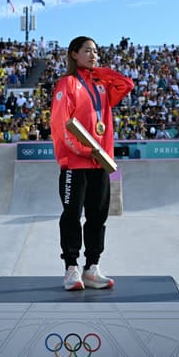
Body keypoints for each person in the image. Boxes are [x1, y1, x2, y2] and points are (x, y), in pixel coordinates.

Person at [50, 36, 134, 291]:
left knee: (98, 217)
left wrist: (96, 70)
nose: (93, 55)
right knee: (72, 216)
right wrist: (85, 151)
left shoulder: (100, 85)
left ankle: (92, 267)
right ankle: (71, 267)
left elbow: (126, 84)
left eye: (96, 51)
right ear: (74, 54)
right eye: (87, 51)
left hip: (100, 163)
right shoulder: (68, 83)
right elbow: (62, 125)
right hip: (76, 164)